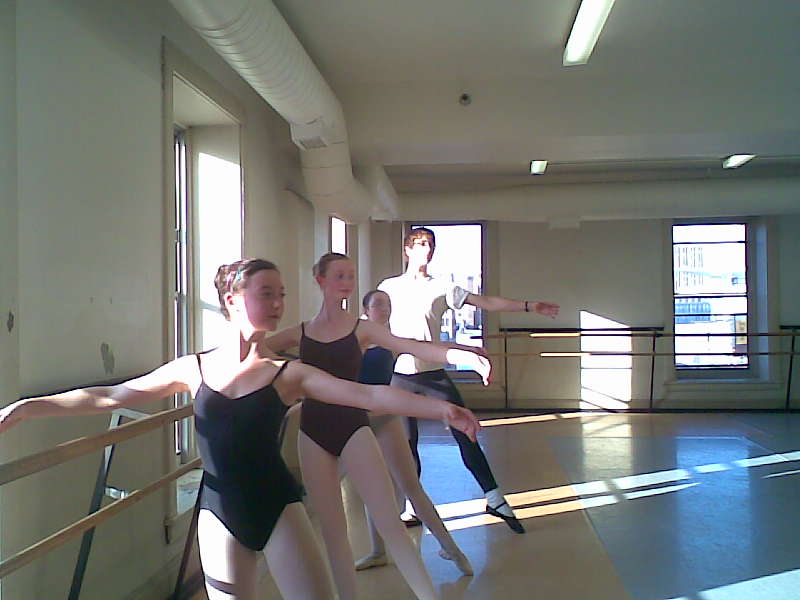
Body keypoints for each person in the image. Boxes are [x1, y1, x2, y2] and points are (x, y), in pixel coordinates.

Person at [0, 258, 481, 600]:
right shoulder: (194, 369)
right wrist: (28, 408)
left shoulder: (286, 372)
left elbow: (368, 396)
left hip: (278, 508)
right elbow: (113, 395)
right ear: (232, 300)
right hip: (218, 513)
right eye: (265, 293)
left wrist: (440, 410)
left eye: (281, 294)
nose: (276, 303)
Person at [264, 253, 491, 600]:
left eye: (351, 276)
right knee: (334, 534)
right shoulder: (300, 333)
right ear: (319, 279)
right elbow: (254, 349)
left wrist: (462, 355)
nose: (347, 282)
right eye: (339, 275)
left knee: (391, 524)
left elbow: (413, 347)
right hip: (312, 432)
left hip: (355, 427)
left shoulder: (362, 328)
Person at [378, 227, 559, 535]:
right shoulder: (389, 287)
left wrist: (529, 306)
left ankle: (494, 497)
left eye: (431, 245)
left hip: (433, 376)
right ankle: (412, 506)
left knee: (467, 431)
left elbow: (486, 303)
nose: (427, 250)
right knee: (407, 445)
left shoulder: (442, 287)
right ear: (407, 250)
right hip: (400, 376)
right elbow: (373, 325)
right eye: (421, 245)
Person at [354, 289, 473, 576]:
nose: (384, 309)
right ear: (366, 310)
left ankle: (454, 551)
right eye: (378, 305)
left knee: (411, 487)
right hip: (358, 421)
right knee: (370, 488)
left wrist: (463, 351)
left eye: (388, 305)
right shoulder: (355, 339)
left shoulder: (391, 341)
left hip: (385, 419)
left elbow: (425, 348)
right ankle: (377, 551)